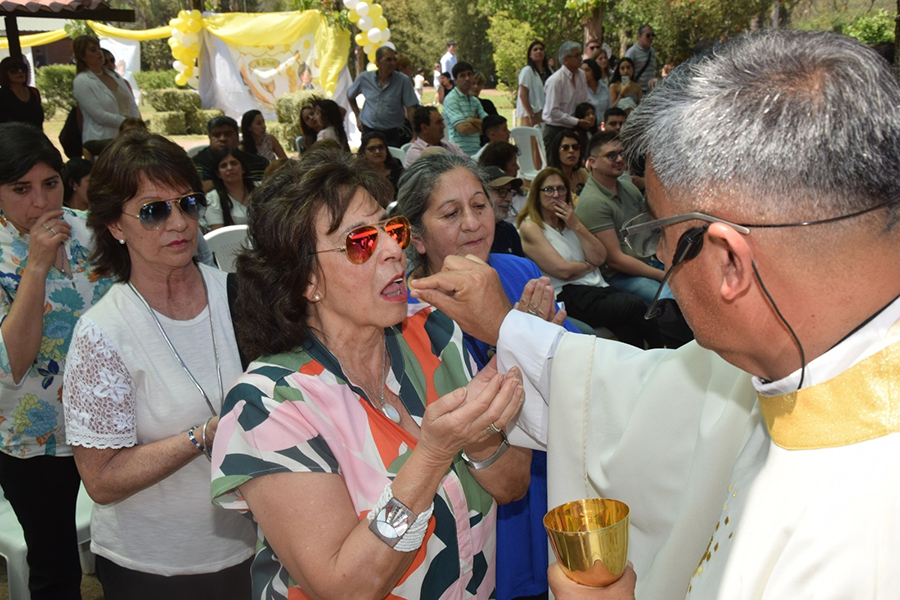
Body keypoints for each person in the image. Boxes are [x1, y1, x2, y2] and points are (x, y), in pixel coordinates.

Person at [410, 29, 900, 600]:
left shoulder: (857, 538)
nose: (660, 258)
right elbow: (650, 391)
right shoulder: (808, 352)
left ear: (728, 261)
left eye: (663, 234)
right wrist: (508, 328)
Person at [210, 151, 529, 599]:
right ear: (306, 280)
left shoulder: (435, 332)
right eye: (361, 242)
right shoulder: (268, 405)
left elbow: (513, 486)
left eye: (392, 230)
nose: (393, 250)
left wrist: (478, 438)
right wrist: (433, 455)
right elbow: (348, 587)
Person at [62, 131, 256, 599]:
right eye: (154, 210)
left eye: (188, 204)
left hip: (250, 548)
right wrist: (200, 437)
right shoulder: (103, 332)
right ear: (115, 226)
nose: (180, 223)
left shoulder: (237, 295)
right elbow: (102, 480)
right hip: (151, 566)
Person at [397, 153, 581, 600]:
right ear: (416, 238)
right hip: (478, 492)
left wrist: (541, 340)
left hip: (540, 470)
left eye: (480, 206)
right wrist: (516, 340)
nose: (473, 223)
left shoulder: (518, 272)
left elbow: (579, 365)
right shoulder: (405, 310)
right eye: (451, 213)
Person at [0, 122, 112, 600]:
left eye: (51, 183)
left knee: (121, 549)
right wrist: (37, 266)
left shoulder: (93, 231)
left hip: (111, 420)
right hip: (34, 438)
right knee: (55, 568)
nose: (42, 202)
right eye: (21, 190)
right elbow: (12, 365)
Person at [517, 167, 662, 349]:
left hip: (596, 288)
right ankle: (665, 350)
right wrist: (589, 264)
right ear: (536, 194)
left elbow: (600, 256)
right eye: (548, 190)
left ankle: (642, 367)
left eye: (561, 189)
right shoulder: (531, 226)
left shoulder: (570, 221)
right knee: (634, 305)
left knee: (628, 330)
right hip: (568, 295)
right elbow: (563, 271)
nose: (556, 194)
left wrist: (575, 224)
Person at [574, 131, 668, 305]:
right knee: (669, 300)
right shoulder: (593, 202)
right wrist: (663, 275)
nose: (619, 159)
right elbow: (615, 260)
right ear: (592, 162)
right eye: (611, 155)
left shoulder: (627, 187)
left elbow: (649, 230)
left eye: (622, 154)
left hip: (648, 261)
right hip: (619, 275)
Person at [71, 35, 140, 145]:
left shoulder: (114, 75)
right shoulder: (81, 80)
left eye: (99, 48)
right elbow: (98, 115)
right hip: (102, 140)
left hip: (128, 137)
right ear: (82, 56)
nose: (99, 53)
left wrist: (136, 125)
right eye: (93, 50)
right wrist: (126, 123)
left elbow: (131, 103)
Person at [347, 46, 418, 148]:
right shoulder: (364, 78)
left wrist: (415, 135)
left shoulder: (403, 81)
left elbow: (411, 108)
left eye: (394, 60)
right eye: (388, 60)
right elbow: (350, 95)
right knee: (369, 161)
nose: (393, 63)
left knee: (392, 161)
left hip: (393, 132)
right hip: (369, 130)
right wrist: (357, 116)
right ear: (378, 61)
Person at [192, 115, 268, 192]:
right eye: (217, 135)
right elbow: (199, 190)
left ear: (237, 137)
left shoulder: (259, 163)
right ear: (210, 137)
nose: (223, 139)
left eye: (228, 134)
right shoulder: (197, 163)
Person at [541, 42, 593, 148]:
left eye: (580, 55)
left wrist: (589, 116)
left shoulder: (581, 75)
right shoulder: (555, 80)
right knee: (554, 164)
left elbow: (585, 101)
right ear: (565, 59)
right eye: (576, 56)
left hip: (576, 128)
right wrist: (576, 121)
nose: (580, 59)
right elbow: (553, 112)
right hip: (556, 129)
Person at [443, 61, 488, 156]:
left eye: (469, 74)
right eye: (462, 76)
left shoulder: (474, 100)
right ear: (455, 80)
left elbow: (489, 124)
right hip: (458, 153)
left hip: (476, 152)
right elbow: (463, 128)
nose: (467, 78)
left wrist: (471, 120)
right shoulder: (451, 99)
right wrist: (480, 127)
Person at [206, 147, 257, 229]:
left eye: (234, 163)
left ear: (243, 169)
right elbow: (218, 235)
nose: (230, 168)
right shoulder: (213, 198)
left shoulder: (260, 189)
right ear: (218, 174)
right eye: (224, 166)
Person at [485, 166, 525, 257]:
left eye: (510, 191)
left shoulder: (508, 231)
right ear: (482, 193)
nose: (509, 198)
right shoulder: (471, 233)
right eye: (501, 191)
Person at [0, 56, 43, 129]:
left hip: (36, 137)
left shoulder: (34, 92)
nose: (20, 72)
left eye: (23, 69)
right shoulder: (2, 95)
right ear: (5, 73)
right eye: (14, 70)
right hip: (12, 138)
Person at [358, 130, 404, 198]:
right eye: (371, 149)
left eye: (381, 147)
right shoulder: (360, 176)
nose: (377, 151)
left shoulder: (397, 170)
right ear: (364, 153)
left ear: (386, 151)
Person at [517, 40, 551, 128]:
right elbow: (523, 95)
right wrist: (531, 115)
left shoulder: (550, 71)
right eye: (535, 50)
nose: (538, 51)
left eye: (541, 49)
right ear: (530, 55)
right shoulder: (527, 71)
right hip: (531, 116)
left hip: (547, 115)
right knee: (531, 141)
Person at [547, 129, 589, 198]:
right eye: (565, 148)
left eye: (575, 147)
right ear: (556, 152)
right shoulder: (549, 176)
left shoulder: (581, 173)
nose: (571, 151)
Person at [624, 24, 657, 93]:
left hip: (651, 91)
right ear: (639, 36)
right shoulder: (632, 52)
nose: (651, 38)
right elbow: (625, 72)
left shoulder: (652, 51)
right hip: (637, 91)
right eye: (648, 35)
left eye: (652, 35)